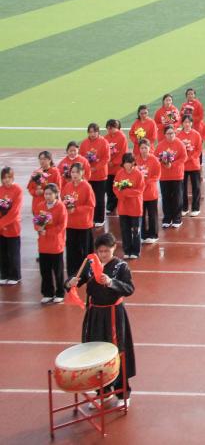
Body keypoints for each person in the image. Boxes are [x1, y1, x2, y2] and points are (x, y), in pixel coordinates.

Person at [68, 233, 136, 401]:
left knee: (117, 350)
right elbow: (77, 279)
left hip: (114, 314)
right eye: (100, 251)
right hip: (95, 314)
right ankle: (102, 391)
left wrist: (111, 282)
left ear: (114, 248)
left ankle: (122, 393)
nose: (103, 254)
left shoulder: (121, 266)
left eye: (106, 251)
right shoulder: (91, 264)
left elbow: (129, 289)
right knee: (95, 350)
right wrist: (70, 283)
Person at [33, 184, 67, 303]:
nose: (47, 196)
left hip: (56, 244)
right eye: (46, 194)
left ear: (56, 194)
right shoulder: (40, 206)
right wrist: (38, 228)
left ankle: (60, 292)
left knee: (58, 271)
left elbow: (62, 225)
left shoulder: (61, 207)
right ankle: (47, 293)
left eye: (50, 194)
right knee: (45, 270)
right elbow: (36, 221)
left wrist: (47, 232)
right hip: (43, 244)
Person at [154, 126, 187, 230]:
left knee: (177, 197)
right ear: (164, 134)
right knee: (166, 197)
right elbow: (156, 158)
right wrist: (163, 163)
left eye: (172, 133)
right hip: (164, 176)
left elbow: (184, 157)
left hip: (177, 175)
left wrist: (172, 165)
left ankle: (177, 218)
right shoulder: (160, 145)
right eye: (168, 133)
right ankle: (167, 218)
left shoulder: (180, 144)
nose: (171, 135)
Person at [112, 154, 143, 259]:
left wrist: (126, 192)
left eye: (129, 162)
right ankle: (127, 250)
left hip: (135, 207)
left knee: (136, 230)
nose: (127, 164)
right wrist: (121, 195)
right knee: (125, 230)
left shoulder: (138, 174)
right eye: (125, 162)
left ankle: (136, 251)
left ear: (133, 163)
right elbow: (115, 187)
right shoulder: (119, 173)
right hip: (123, 206)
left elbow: (140, 190)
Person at [0, 168, 23, 284]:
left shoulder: (17, 190)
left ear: (12, 177)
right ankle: (4, 274)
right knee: (2, 253)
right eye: (4, 177)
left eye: (8, 177)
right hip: (1, 230)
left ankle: (15, 276)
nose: (6, 180)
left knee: (13, 253)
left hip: (13, 227)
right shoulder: (0, 189)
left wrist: (1, 223)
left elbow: (15, 212)